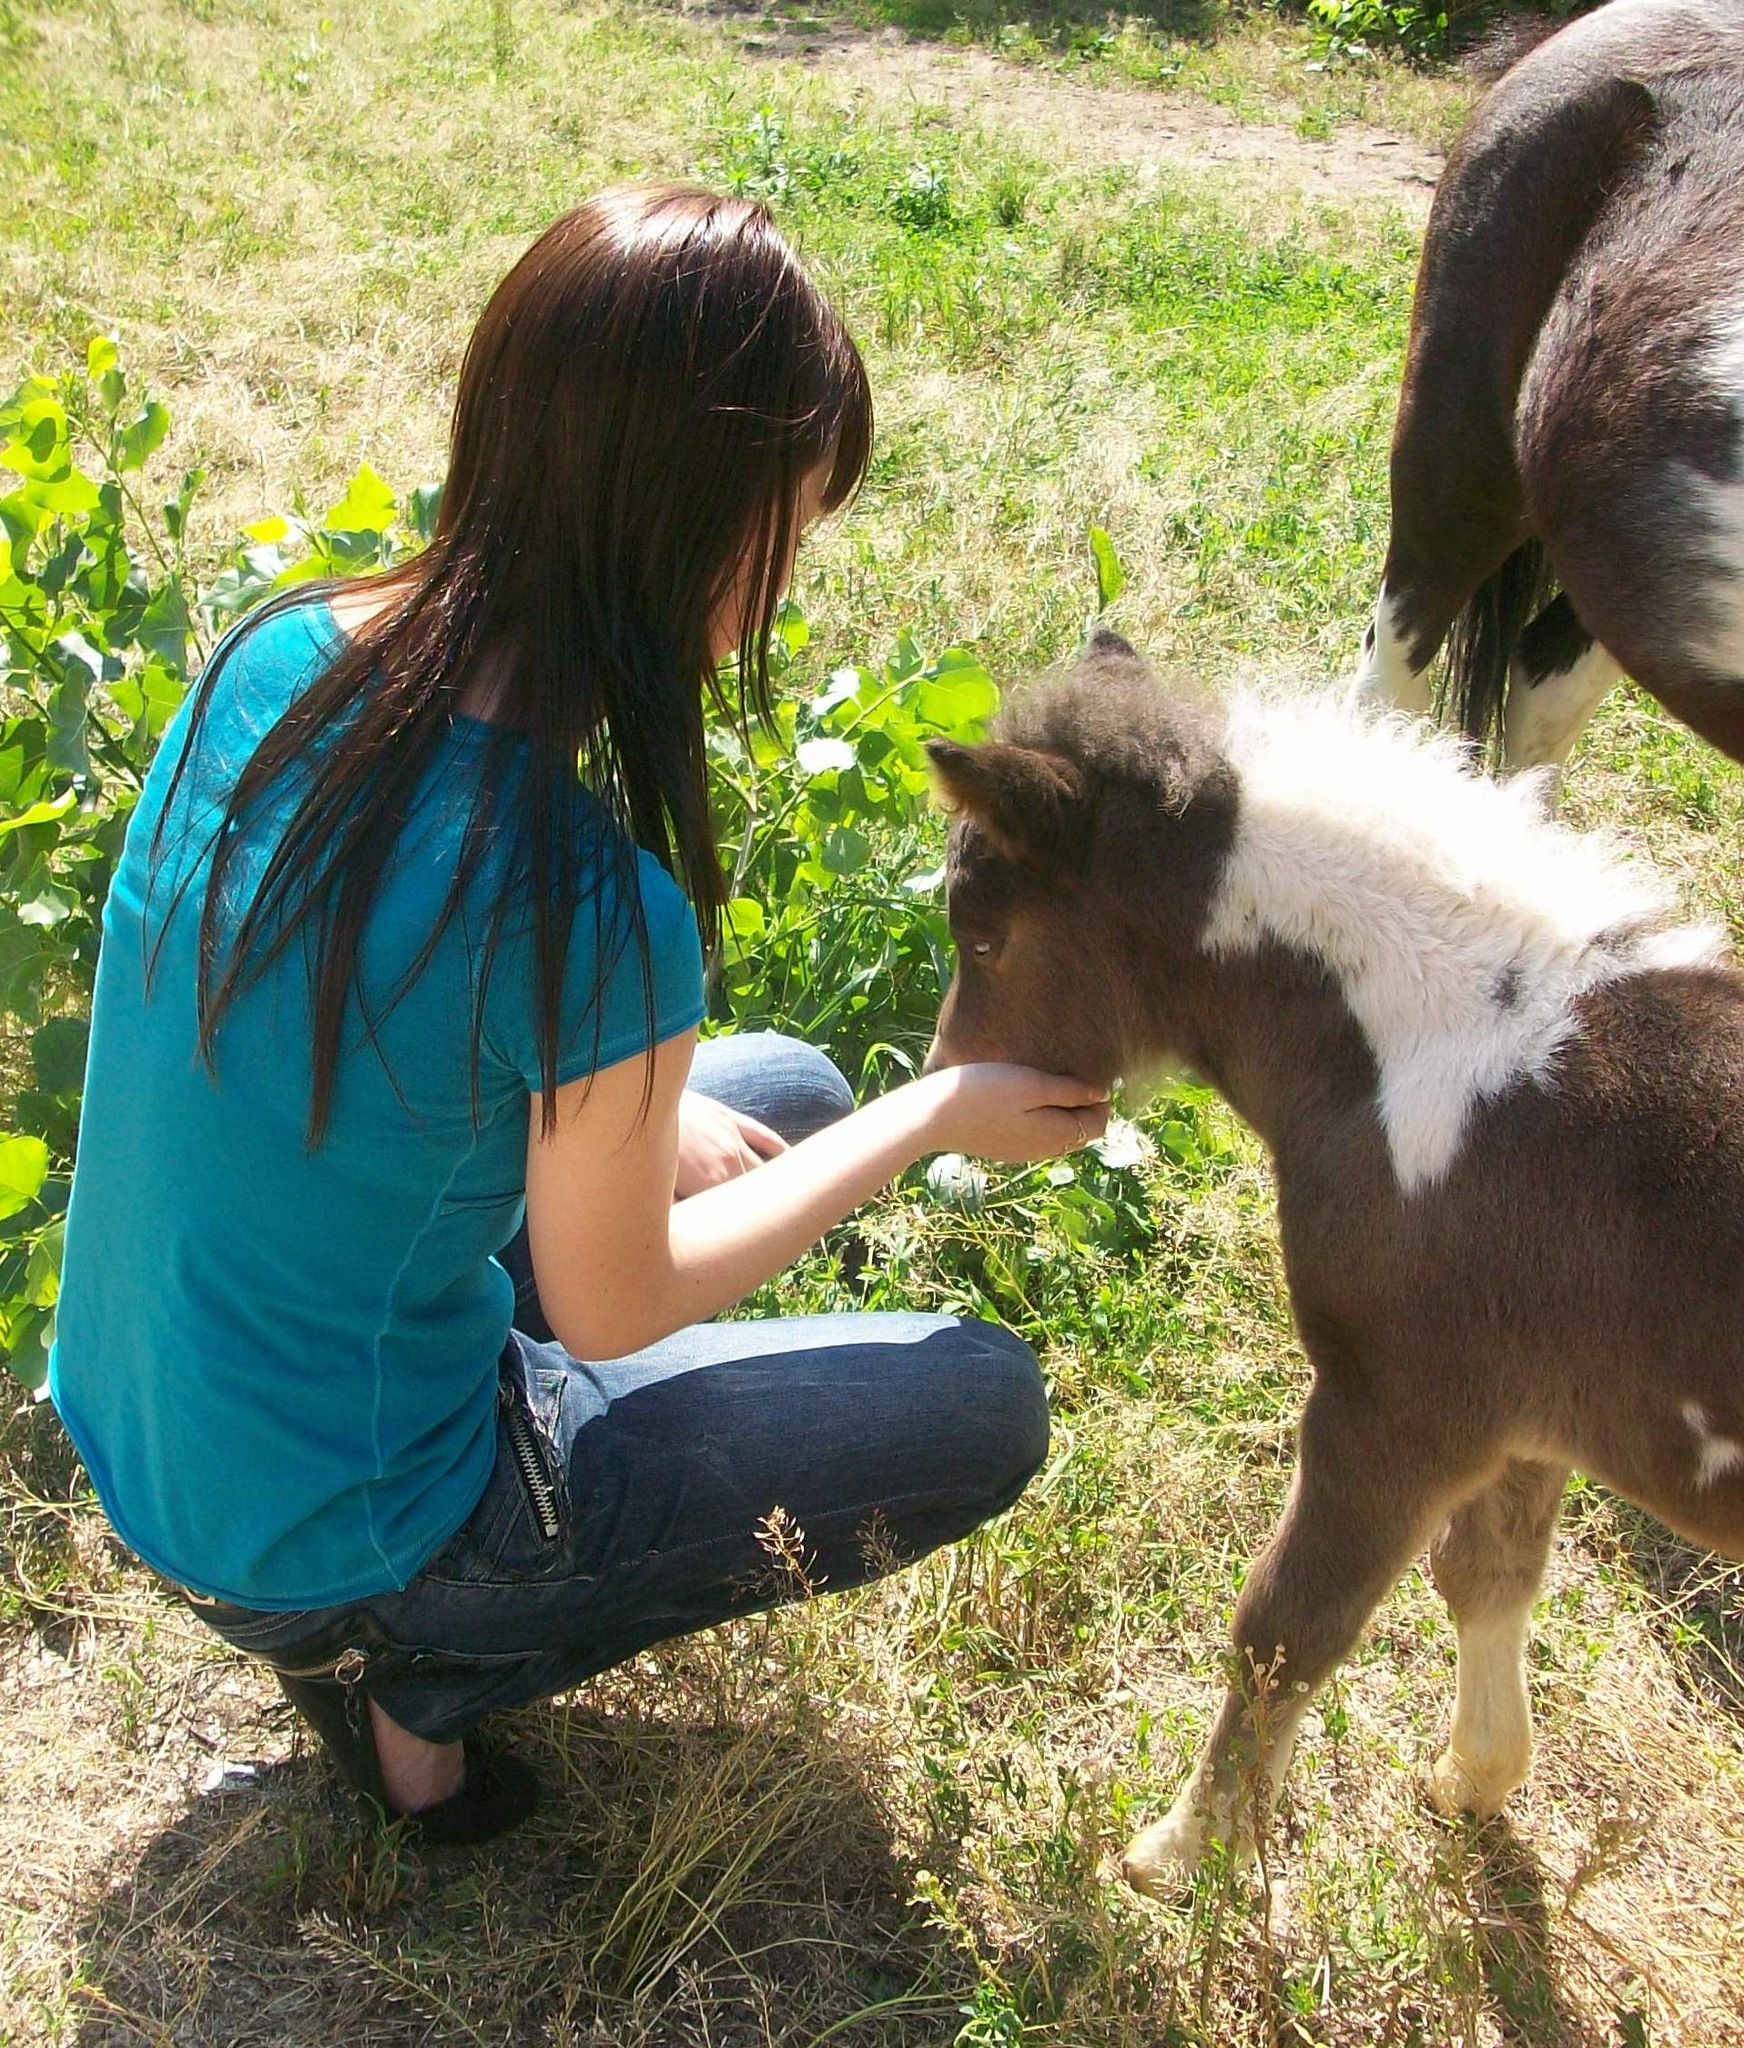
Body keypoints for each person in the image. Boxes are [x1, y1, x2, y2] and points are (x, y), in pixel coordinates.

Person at [48, 184, 1110, 1844]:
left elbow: (304, 1045)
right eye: (791, 533)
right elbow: (620, 1306)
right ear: (685, 521)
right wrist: (937, 1117)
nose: (778, 594)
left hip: (160, 1431)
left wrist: (676, 1116)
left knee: (779, 1089)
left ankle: (378, 1612)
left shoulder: (272, 656)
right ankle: (412, 1670)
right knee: (982, 1397)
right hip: (341, 1534)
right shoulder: (591, 907)